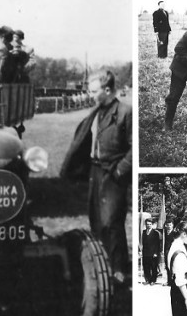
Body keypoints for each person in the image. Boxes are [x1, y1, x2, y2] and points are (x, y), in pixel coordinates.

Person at [60, 70, 132, 285]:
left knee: (112, 221)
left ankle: (119, 270)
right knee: (97, 220)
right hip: (96, 171)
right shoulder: (97, 112)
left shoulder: (125, 112)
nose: (90, 95)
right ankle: (102, 265)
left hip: (114, 172)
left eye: (93, 91)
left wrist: (120, 170)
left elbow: (135, 148)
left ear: (107, 90)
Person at [142, 218, 161, 285]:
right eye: (147, 224)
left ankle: (153, 280)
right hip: (145, 253)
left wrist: (156, 252)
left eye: (150, 224)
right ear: (145, 225)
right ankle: (147, 279)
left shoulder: (156, 233)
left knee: (153, 267)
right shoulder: (143, 232)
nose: (148, 225)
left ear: (152, 225)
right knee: (146, 267)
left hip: (153, 253)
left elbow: (157, 244)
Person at [163, 219, 177, 286]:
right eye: (167, 225)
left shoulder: (175, 233)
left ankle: (174, 281)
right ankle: (169, 281)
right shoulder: (164, 233)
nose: (169, 226)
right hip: (166, 252)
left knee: (173, 266)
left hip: (173, 252)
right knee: (168, 266)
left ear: (172, 225)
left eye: (170, 225)